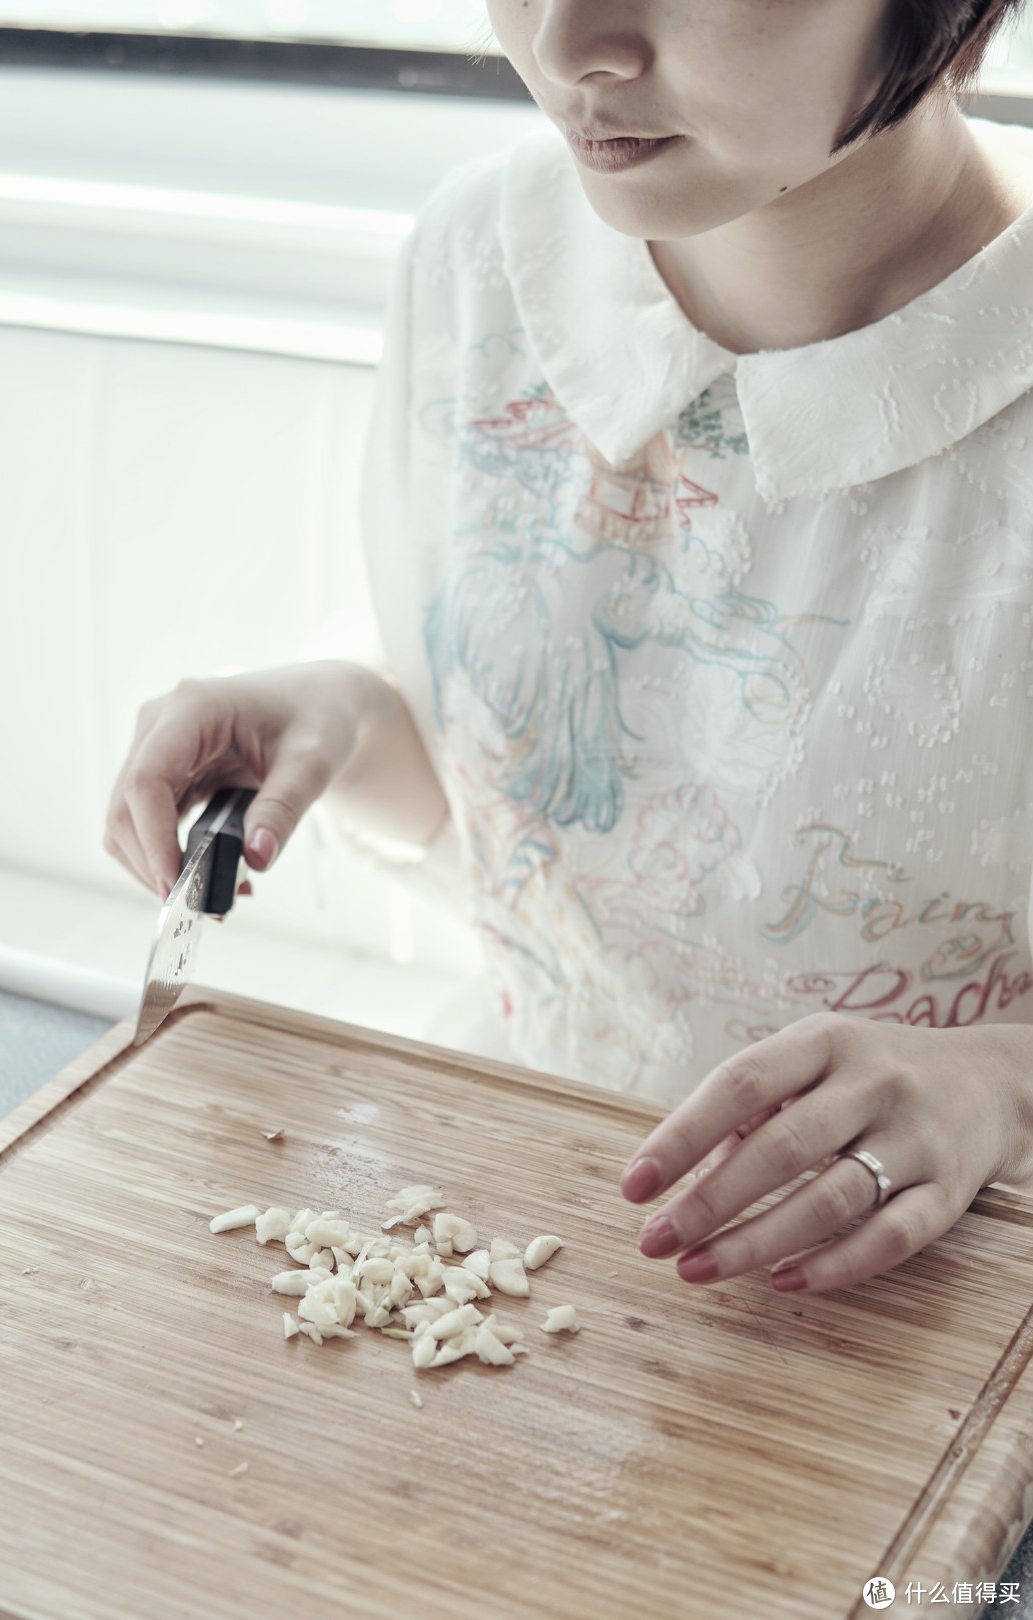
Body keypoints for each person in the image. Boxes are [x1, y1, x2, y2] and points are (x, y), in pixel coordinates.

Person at [106, 0, 1033, 1297]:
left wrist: (1003, 1082)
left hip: (938, 1336)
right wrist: (352, 718)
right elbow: (548, 863)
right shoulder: (482, 262)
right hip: (531, 1240)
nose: (567, 43)